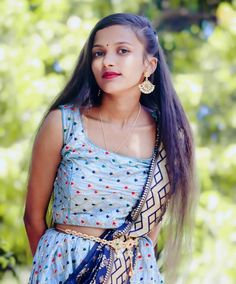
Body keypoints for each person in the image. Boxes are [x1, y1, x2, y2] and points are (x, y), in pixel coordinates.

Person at [24, 13, 197, 284]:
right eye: (98, 52)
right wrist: (56, 268)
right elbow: (33, 219)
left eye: (122, 51)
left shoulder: (168, 140)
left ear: (149, 65)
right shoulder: (63, 124)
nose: (107, 61)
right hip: (62, 271)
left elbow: (147, 236)